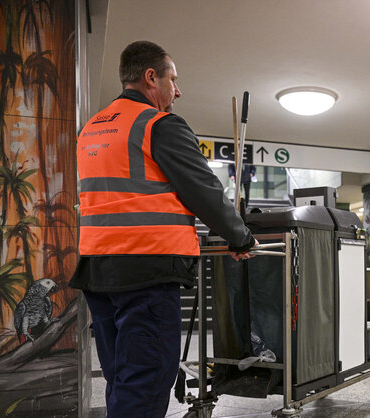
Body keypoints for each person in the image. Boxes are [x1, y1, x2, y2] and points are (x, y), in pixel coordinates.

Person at [71, 40, 257, 417]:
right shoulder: (157, 125)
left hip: (97, 272)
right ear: (150, 77)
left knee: (122, 380)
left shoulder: (91, 129)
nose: (178, 90)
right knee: (145, 383)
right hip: (145, 271)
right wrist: (241, 236)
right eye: (173, 79)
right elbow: (203, 191)